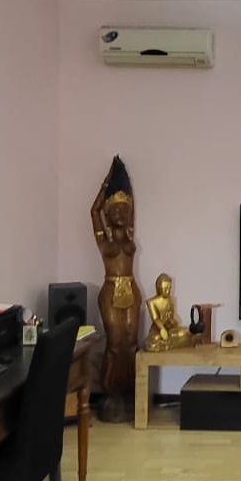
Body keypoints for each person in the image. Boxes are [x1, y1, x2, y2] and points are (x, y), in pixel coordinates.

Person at [91, 155, 142, 401]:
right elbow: (93, 210)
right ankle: (110, 391)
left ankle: (132, 391)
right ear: (108, 213)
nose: (121, 213)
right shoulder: (103, 239)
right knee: (114, 343)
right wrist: (107, 183)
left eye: (125, 208)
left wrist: (125, 183)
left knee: (131, 343)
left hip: (130, 288)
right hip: (111, 290)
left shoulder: (130, 233)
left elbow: (132, 203)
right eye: (116, 209)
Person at [145, 273, 193, 351]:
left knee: (186, 332)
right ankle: (168, 343)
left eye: (169, 288)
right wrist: (162, 329)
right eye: (165, 288)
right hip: (158, 329)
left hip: (170, 329)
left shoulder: (171, 300)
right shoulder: (152, 302)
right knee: (155, 339)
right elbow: (155, 319)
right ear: (159, 288)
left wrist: (173, 321)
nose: (168, 291)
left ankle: (168, 343)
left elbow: (172, 317)